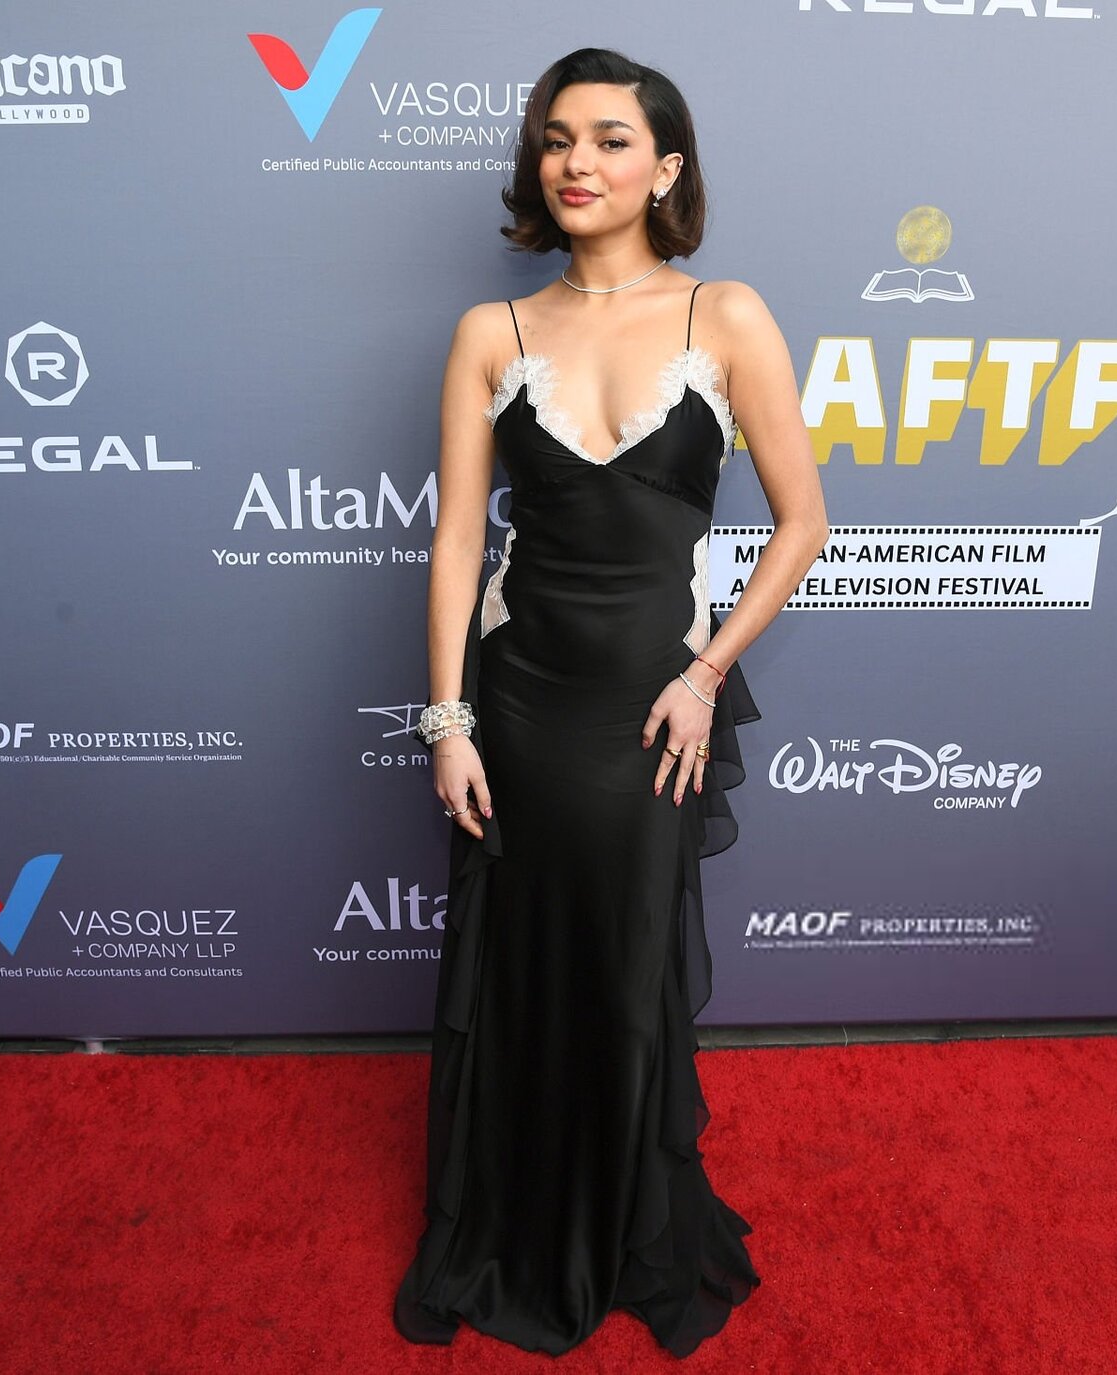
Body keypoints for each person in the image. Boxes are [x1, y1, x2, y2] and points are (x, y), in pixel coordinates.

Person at [391, 46, 829, 1359]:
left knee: (628, 971)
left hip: (653, 705)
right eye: (557, 139)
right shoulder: (493, 332)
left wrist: (705, 675)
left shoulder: (726, 316)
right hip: (521, 704)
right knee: (522, 971)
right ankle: (515, 1224)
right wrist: (448, 721)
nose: (577, 162)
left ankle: (629, 1226)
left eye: (610, 139)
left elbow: (802, 524)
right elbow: (457, 544)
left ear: (666, 167)